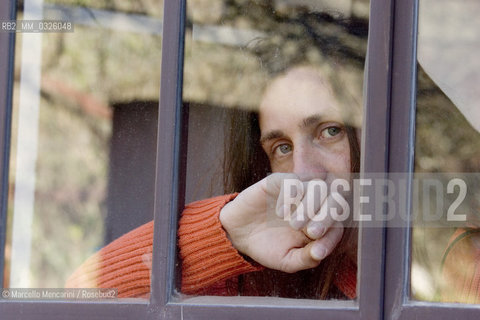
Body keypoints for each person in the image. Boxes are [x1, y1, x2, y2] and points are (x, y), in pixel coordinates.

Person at [65, 61, 362, 299]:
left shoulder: (404, 252)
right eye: (282, 148)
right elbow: (81, 294)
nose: (304, 173)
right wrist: (229, 233)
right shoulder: (264, 283)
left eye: (330, 131)